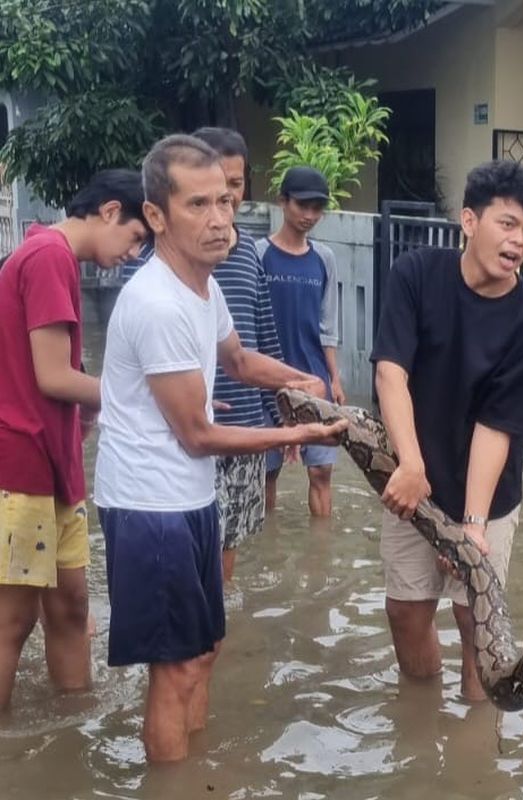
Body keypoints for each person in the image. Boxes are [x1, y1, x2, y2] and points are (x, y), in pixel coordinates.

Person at [93, 134, 345, 762]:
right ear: (156, 216)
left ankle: (196, 773)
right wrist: (296, 433)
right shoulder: (157, 302)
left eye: (225, 202)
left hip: (191, 498)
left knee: (203, 651)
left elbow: (235, 359)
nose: (219, 220)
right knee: (175, 668)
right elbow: (198, 435)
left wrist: (301, 380)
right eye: (198, 205)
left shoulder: (203, 286)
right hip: (151, 507)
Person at [370, 160, 523, 702]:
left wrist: (472, 526)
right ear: (470, 221)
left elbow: (496, 428)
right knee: (405, 610)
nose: (519, 241)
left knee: (476, 622)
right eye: (508, 224)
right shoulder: (416, 274)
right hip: (414, 480)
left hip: (489, 495)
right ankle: (422, 717)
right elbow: (391, 372)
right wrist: (411, 464)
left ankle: (475, 737)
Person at [0, 170, 148, 711]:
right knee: (12, 620)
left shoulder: (49, 254)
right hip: (20, 463)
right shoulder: (48, 257)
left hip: (55, 464)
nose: (133, 253)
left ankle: (73, 728)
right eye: (135, 236)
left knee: (71, 607)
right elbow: (53, 377)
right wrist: (148, 397)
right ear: (109, 211)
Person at [190, 127, 286, 582]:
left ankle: (221, 626)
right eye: (217, 183)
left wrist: (282, 414)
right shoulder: (164, 253)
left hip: (246, 426)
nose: (228, 195)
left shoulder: (248, 250)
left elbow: (263, 336)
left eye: (236, 183)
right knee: (193, 553)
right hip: (193, 428)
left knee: (228, 555)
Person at [258, 166, 343, 517]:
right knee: (267, 473)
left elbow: (328, 323)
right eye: (302, 205)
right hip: (266, 382)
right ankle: (267, 538)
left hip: (314, 381)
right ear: (283, 202)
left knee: (321, 472)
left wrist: (334, 378)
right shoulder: (258, 254)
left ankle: (321, 547)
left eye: (317, 208)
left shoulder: (324, 259)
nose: (309, 215)